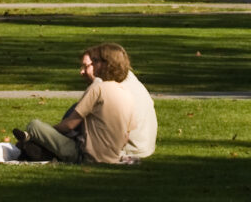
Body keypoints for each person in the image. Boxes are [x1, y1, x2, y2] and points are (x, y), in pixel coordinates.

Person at [13, 43, 157, 165]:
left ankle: (33, 142)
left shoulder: (98, 88)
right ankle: (36, 147)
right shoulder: (127, 90)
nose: (83, 71)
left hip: (91, 156)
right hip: (123, 152)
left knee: (35, 125)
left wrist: (45, 134)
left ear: (105, 63)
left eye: (94, 62)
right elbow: (125, 134)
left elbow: (69, 125)